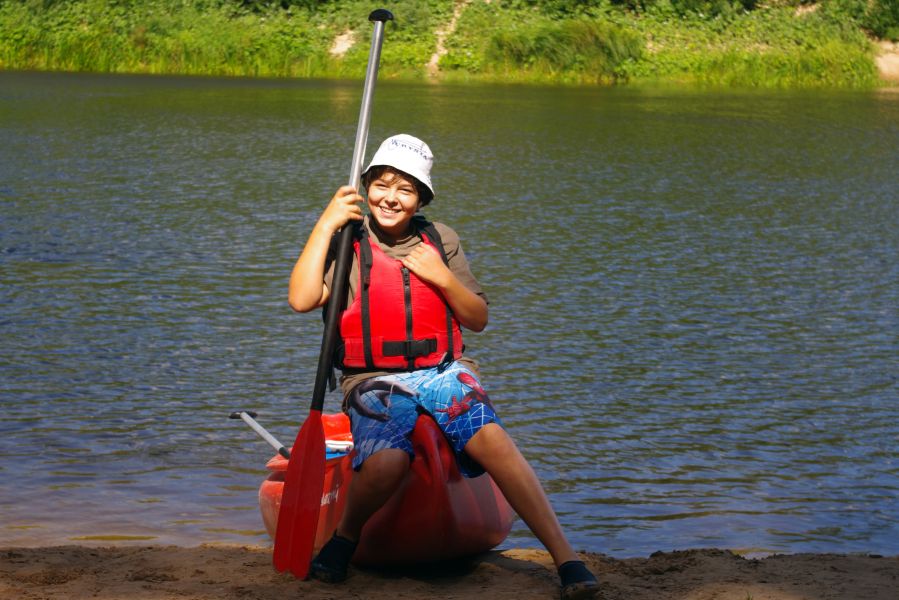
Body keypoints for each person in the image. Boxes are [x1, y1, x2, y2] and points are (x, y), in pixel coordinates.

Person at [288, 134, 599, 600]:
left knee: (492, 439)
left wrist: (440, 275)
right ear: (367, 185)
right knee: (389, 462)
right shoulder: (346, 239)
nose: (391, 198)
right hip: (372, 379)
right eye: (382, 184)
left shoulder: (441, 240)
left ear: (421, 198)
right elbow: (301, 300)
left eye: (406, 189)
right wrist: (326, 223)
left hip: (444, 370)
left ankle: (565, 558)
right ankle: (345, 537)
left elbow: (478, 317)